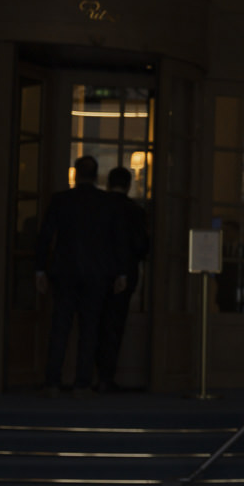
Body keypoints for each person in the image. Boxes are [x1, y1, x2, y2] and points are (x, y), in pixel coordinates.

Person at [35, 156, 124, 394]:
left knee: (60, 327)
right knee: (90, 329)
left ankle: (53, 381)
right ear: (96, 176)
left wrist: (40, 269)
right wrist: (120, 272)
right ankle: (82, 383)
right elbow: (116, 240)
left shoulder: (61, 200)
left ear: (75, 174)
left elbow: (45, 237)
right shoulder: (107, 203)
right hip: (96, 273)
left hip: (65, 271)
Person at [95, 164, 150, 391]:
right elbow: (142, 246)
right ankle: (106, 376)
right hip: (125, 274)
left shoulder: (98, 206)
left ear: (108, 184)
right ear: (128, 186)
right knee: (115, 326)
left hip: (96, 272)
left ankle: (88, 375)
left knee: (93, 324)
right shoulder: (135, 211)